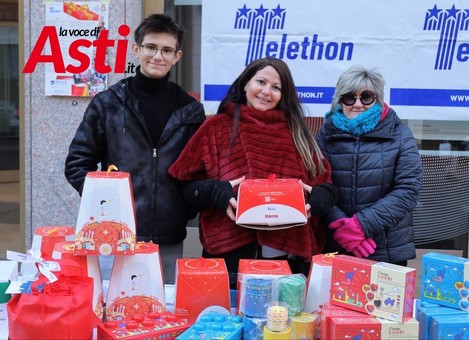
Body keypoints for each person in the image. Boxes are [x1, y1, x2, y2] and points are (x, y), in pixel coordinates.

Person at [169, 57, 336, 287]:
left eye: (276, 87)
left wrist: (321, 197)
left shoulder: (297, 132)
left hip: (287, 258)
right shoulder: (216, 127)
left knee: (280, 322)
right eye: (261, 82)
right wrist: (213, 191)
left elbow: (324, 184)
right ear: (245, 83)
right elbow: (185, 185)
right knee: (227, 319)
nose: (267, 91)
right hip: (228, 256)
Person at [65, 14, 206, 284]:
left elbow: (198, 170)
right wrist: (105, 206)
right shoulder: (108, 103)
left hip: (169, 234)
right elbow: (77, 164)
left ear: (177, 56)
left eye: (166, 50)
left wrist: (185, 209)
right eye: (151, 47)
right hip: (114, 236)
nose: (158, 56)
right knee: (113, 311)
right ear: (136, 49)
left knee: (162, 311)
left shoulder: (190, 110)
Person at [316, 65, 423, 266]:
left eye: (366, 97)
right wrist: (340, 227)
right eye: (349, 97)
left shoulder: (400, 134)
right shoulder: (325, 134)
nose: (357, 104)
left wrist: (361, 226)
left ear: (378, 99)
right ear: (340, 100)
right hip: (337, 246)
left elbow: (408, 189)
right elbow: (318, 184)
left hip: (386, 249)